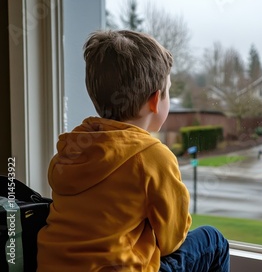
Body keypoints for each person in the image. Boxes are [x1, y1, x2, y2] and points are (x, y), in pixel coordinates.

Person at [37, 30, 230, 272]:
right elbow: (172, 241)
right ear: (155, 100)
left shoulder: (72, 146)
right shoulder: (153, 157)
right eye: (168, 91)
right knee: (213, 240)